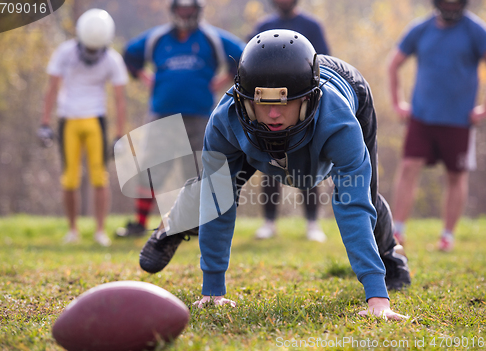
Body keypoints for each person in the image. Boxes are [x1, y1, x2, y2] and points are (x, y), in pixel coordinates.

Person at [139, 30, 411, 319]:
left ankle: (389, 258)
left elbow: (352, 205)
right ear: (244, 99)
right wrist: (213, 290)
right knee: (214, 189)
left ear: (308, 100)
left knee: (363, 191)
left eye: (282, 103)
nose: (272, 115)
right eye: (263, 103)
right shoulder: (226, 120)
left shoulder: (339, 122)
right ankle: (173, 224)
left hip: (347, 87)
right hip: (260, 132)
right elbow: (217, 200)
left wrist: (376, 297)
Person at [115, 0, 245, 238]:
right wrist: (144, 76)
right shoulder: (157, 38)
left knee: (200, 170)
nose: (185, 14)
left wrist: (223, 80)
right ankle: (139, 223)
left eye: (190, 9)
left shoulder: (212, 38)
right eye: (181, 9)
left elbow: (243, 55)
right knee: (151, 169)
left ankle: (199, 225)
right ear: (174, 11)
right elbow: (129, 54)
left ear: (198, 11)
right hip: (162, 113)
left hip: (201, 115)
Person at [388, 0, 486, 252]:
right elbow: (394, 64)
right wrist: (398, 103)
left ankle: (447, 237)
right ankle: (397, 231)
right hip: (422, 117)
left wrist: (483, 109)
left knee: (456, 176)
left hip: (459, 120)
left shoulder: (475, 31)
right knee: (409, 166)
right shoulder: (420, 29)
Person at [39, 9, 128, 246]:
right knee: (69, 179)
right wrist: (45, 123)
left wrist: (120, 134)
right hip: (68, 120)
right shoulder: (64, 52)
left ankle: (100, 231)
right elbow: (52, 89)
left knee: (99, 177)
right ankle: (72, 230)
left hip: (95, 121)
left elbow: (120, 99)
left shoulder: (112, 60)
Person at [249, 0, 330, 242]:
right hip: (269, 103)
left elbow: (323, 61)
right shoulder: (264, 25)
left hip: (302, 104)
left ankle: (313, 223)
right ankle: (269, 222)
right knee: (272, 163)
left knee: (308, 164)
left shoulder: (311, 25)